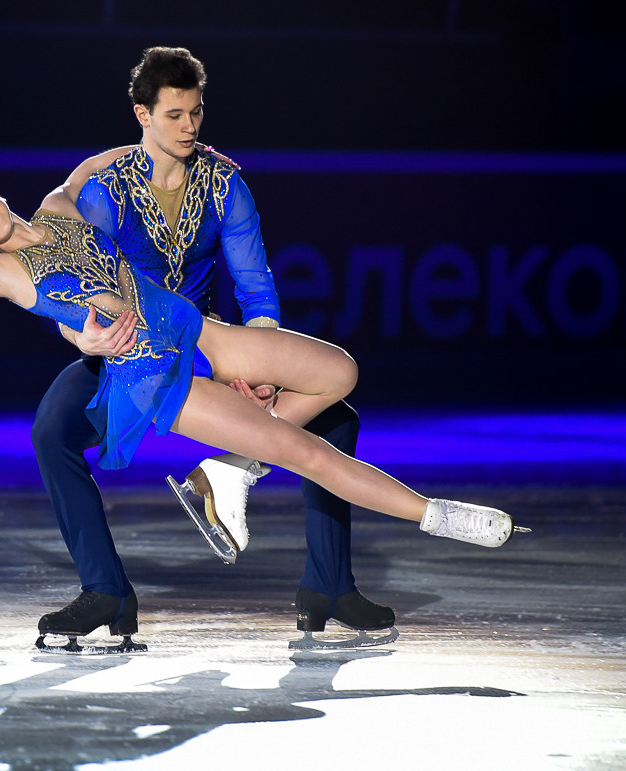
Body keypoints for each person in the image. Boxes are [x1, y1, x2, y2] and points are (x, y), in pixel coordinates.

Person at [0, 99, 521, 650]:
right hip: (156, 374)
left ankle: (231, 475)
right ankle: (436, 514)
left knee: (338, 372)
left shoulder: (59, 208)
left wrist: (182, 146)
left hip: (197, 330)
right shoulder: (1, 273)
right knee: (306, 450)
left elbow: (91, 167)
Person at [33, 46, 391, 647]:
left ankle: (327, 584)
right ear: (142, 115)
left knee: (333, 419)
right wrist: (80, 334)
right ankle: (106, 592)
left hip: (203, 353)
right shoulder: (105, 192)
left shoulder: (225, 186)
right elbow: (60, 281)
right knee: (51, 430)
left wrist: (264, 365)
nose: (190, 127)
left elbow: (257, 288)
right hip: (122, 356)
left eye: (196, 113)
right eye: (174, 115)